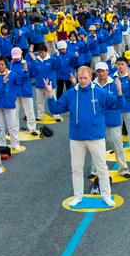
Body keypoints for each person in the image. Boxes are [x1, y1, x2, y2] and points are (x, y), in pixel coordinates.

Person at [44, 65, 123, 208]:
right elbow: (56, 109)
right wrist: (50, 95)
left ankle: (106, 196)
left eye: (85, 78)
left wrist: (119, 92)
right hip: (76, 138)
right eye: (80, 78)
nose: (83, 81)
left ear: (91, 77)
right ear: (77, 77)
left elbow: (117, 106)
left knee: (102, 168)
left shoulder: (100, 92)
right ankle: (77, 196)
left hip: (96, 137)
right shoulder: (70, 94)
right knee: (76, 168)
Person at [93, 62, 130, 178]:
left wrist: (121, 90)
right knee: (96, 148)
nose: (101, 73)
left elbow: (124, 100)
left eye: (103, 71)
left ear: (107, 71)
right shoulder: (92, 86)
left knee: (117, 146)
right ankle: (95, 170)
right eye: (99, 71)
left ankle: (123, 169)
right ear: (96, 73)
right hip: (97, 121)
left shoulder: (115, 83)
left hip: (113, 121)